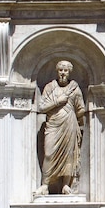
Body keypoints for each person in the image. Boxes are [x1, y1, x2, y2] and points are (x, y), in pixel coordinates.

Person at [35, 60, 85, 195]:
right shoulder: (50, 87)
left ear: (69, 72)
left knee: (69, 155)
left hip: (69, 124)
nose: (63, 73)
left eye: (66, 70)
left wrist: (79, 122)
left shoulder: (74, 88)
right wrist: (57, 101)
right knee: (49, 154)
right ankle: (45, 185)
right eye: (61, 70)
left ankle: (65, 185)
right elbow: (41, 107)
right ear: (57, 71)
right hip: (53, 124)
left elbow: (81, 109)